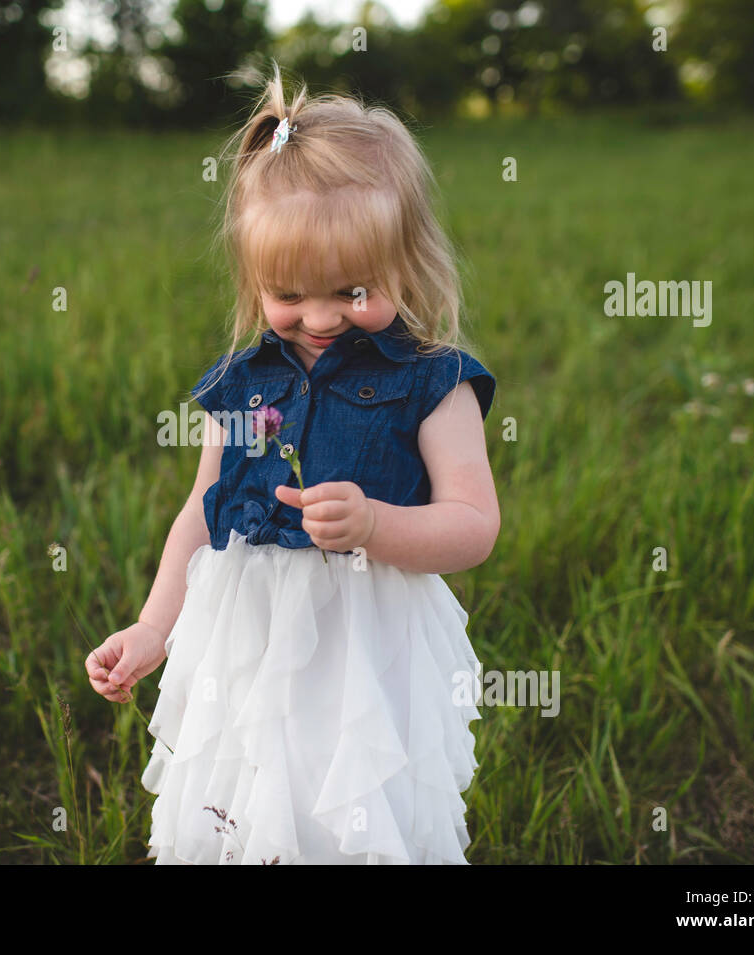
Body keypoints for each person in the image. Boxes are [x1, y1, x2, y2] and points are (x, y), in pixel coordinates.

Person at [85, 61, 500, 864]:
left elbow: (474, 526)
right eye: (288, 292)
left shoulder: (434, 381)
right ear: (254, 277)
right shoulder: (240, 382)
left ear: (406, 261)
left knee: (346, 806)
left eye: (351, 290)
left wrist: (378, 524)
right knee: (250, 798)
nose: (319, 317)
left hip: (364, 644)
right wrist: (152, 624)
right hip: (246, 639)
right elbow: (201, 514)